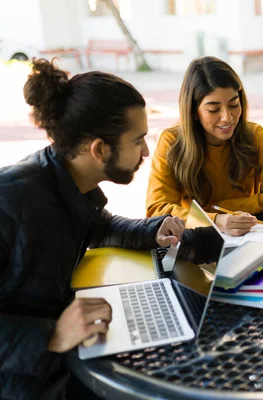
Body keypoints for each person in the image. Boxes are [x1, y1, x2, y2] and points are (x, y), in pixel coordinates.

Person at [0, 58, 221, 400]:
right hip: (25, 382)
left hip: (55, 362)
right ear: (100, 149)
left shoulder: (67, 183)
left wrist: (153, 230)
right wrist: (51, 336)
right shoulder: (12, 199)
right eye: (138, 140)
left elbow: (101, 226)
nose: (147, 151)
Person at [146, 56, 263, 236]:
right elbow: (156, 210)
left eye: (234, 105)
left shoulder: (255, 136)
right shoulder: (171, 141)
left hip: (246, 236)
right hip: (195, 239)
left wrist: (219, 210)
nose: (227, 117)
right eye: (213, 109)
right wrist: (216, 220)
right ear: (193, 111)